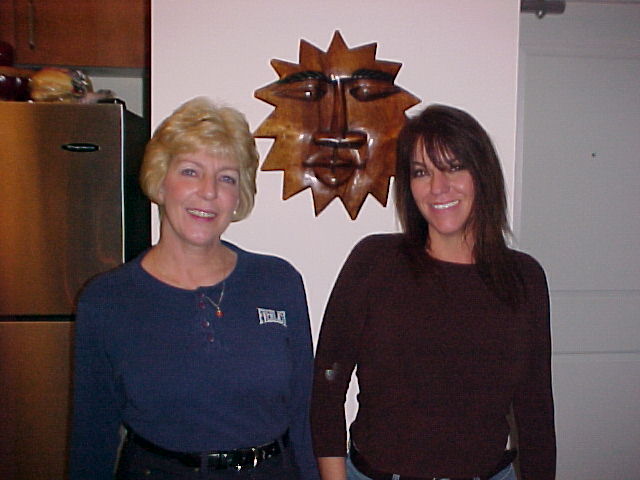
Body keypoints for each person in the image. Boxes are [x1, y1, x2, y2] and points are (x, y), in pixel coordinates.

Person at [69, 97, 319, 480]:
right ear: (160, 181)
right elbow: (92, 437)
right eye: (190, 171)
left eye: (226, 178)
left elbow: (304, 415)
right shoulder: (107, 301)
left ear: (239, 196)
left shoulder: (278, 282)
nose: (208, 191)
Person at [310, 104, 556, 480]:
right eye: (422, 172)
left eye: (454, 167)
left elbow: (535, 411)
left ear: (482, 174)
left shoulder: (524, 279)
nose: (438, 187)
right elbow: (327, 385)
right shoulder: (375, 262)